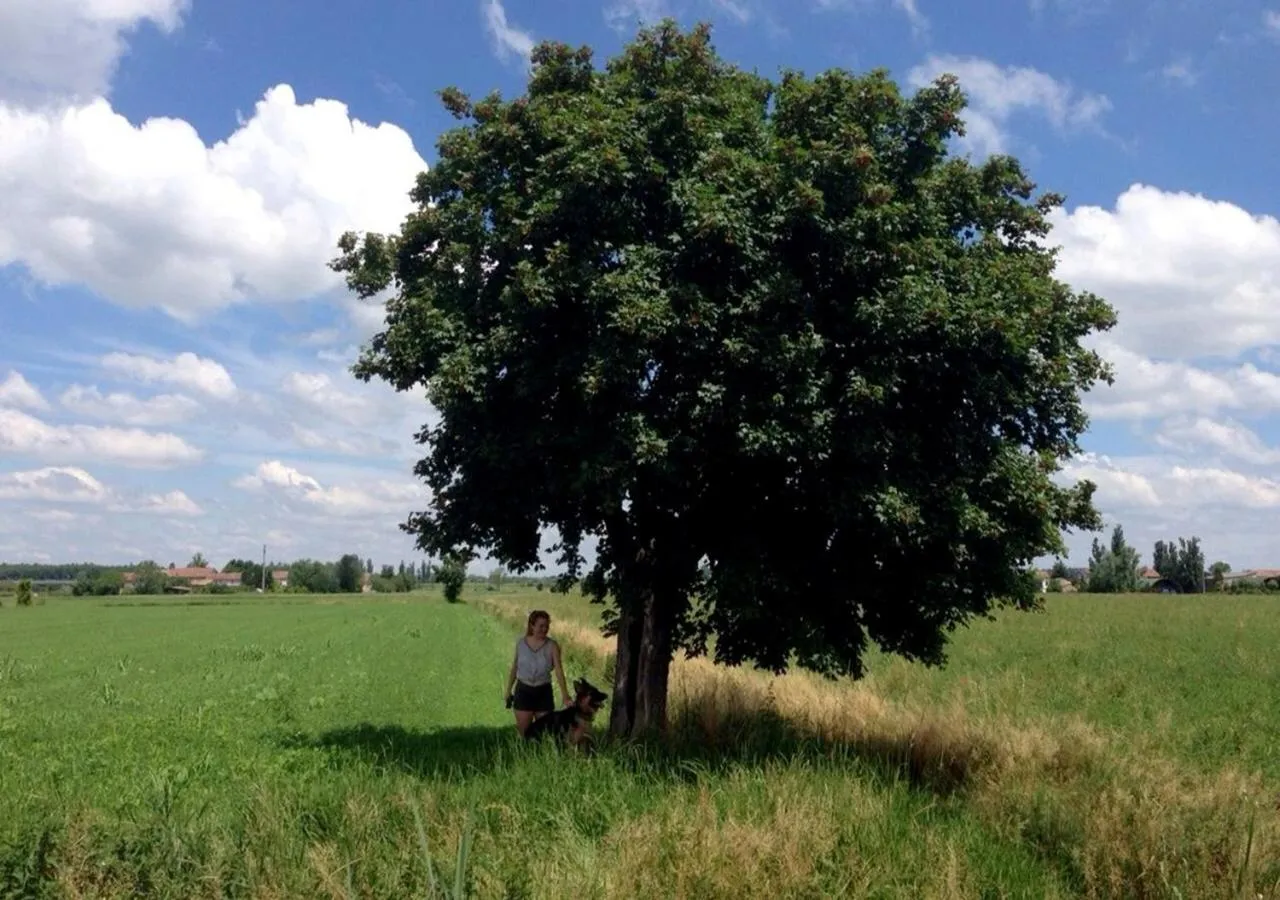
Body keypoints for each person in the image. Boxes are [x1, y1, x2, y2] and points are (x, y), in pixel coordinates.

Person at [504, 609, 571, 735]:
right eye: (541, 626)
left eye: (547, 626)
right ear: (532, 625)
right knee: (524, 734)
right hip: (523, 691)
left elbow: (559, 671)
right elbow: (514, 668)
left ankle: (543, 754)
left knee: (546, 733)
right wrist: (508, 690)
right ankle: (524, 754)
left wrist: (565, 695)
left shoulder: (552, 646)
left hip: (543, 692)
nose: (544, 629)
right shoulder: (521, 644)